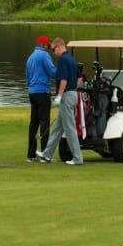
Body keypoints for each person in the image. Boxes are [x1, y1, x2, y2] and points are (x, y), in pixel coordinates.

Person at [36, 36, 84, 166]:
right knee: (58, 127)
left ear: (58, 47)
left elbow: (63, 80)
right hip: (73, 94)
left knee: (69, 128)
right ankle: (47, 155)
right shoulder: (72, 59)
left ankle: (78, 158)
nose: (53, 53)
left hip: (67, 96)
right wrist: (73, 90)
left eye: (53, 50)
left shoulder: (63, 59)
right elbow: (80, 79)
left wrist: (59, 96)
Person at [25, 35, 56, 162]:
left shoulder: (30, 57)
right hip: (42, 91)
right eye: (48, 46)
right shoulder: (44, 55)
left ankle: (31, 155)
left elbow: (27, 76)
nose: (48, 48)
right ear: (43, 45)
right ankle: (45, 154)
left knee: (34, 123)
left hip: (32, 91)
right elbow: (53, 72)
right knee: (44, 123)